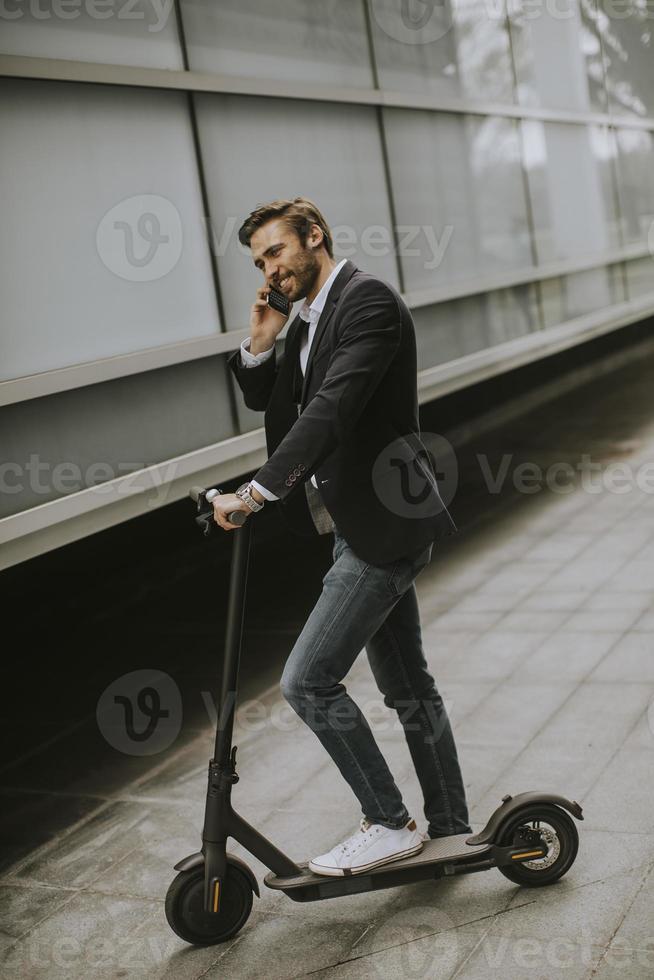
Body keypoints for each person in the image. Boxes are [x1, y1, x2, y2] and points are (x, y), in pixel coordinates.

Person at [211, 197, 471, 876]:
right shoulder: (307, 319)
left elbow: (331, 410)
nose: (270, 269)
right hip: (358, 523)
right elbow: (276, 402)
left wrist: (258, 492)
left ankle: (389, 822)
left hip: (382, 526)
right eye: (260, 260)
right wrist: (261, 342)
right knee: (409, 684)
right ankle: (450, 826)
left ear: (314, 236)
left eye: (276, 251)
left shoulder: (367, 302)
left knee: (307, 681)